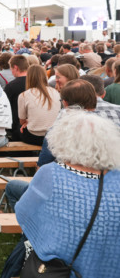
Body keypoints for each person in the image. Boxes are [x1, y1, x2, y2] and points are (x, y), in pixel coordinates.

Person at [16, 111, 120, 278]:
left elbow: (23, 212)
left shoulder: (51, 173)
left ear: (62, 140)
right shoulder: (117, 178)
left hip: (61, 268)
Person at [17, 65, 61, 145]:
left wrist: (28, 122)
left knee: (18, 127)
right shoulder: (55, 92)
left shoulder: (23, 95)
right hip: (53, 136)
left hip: (34, 137)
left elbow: (22, 121)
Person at [3, 55, 29, 140]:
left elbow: (5, 106)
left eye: (11, 68)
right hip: (34, 124)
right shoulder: (35, 83)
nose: (11, 71)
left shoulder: (11, 86)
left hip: (15, 128)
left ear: (15, 67)